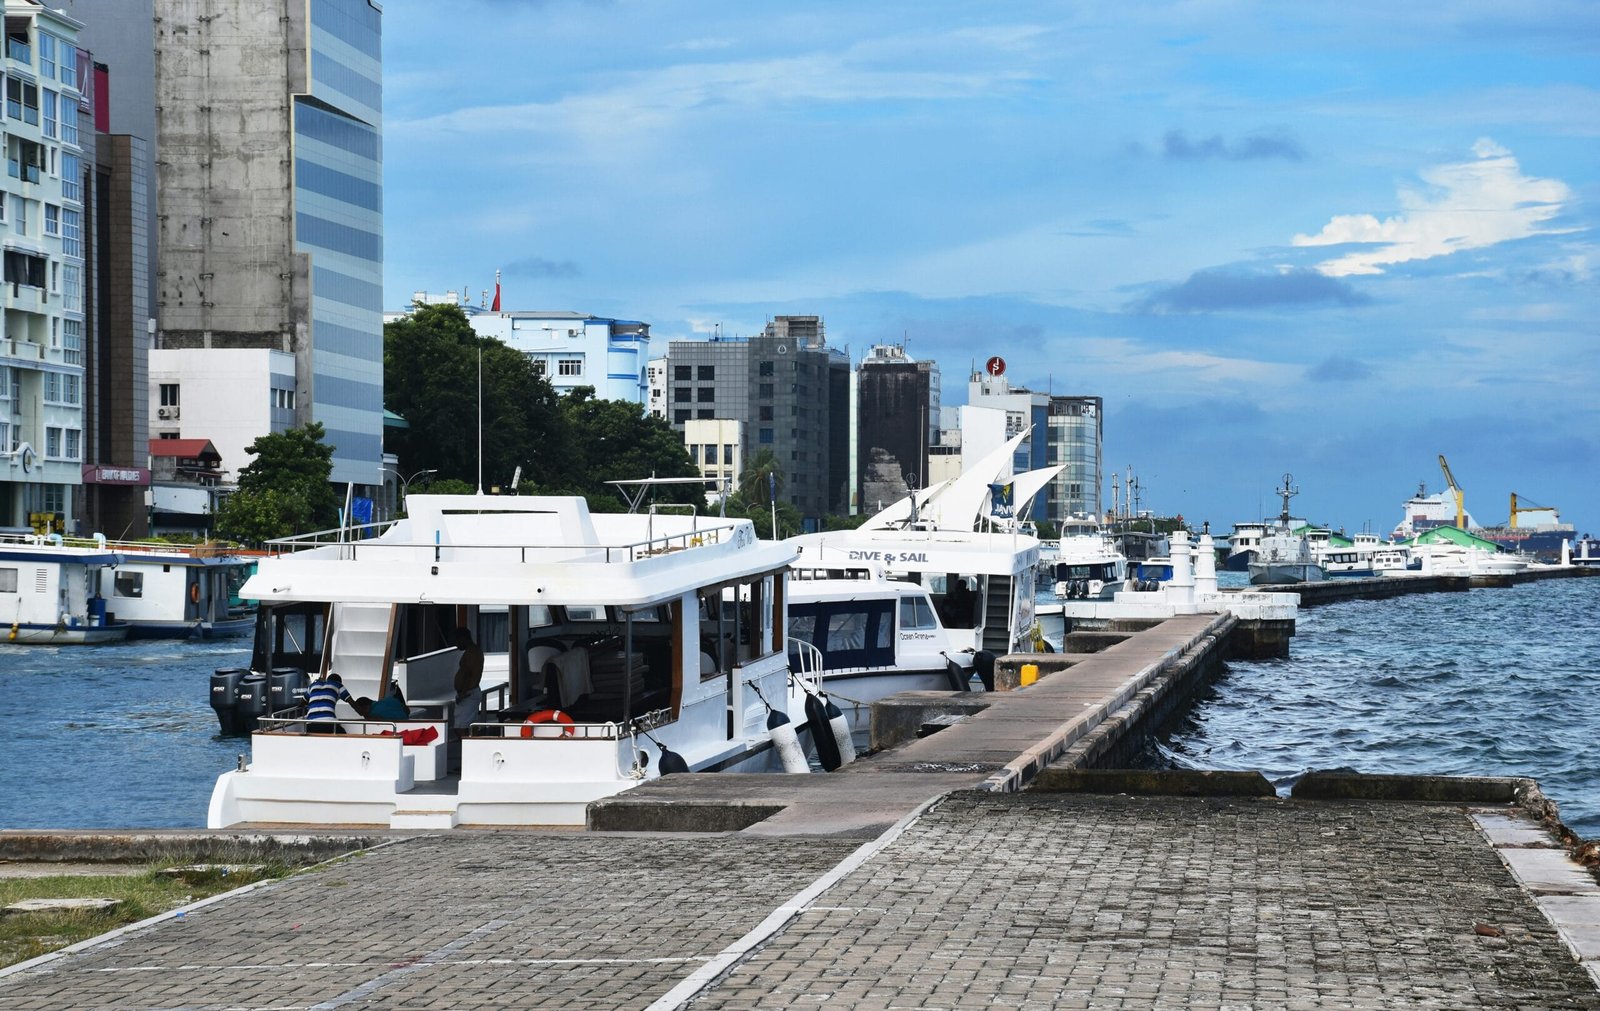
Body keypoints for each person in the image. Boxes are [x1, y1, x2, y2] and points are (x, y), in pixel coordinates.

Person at [452, 626, 484, 731]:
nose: (456, 644)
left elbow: (471, 675)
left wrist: (463, 693)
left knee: (461, 728)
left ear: (463, 638)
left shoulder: (473, 652)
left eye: (457, 641)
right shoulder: (470, 651)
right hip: (467, 693)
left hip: (468, 694)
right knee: (468, 726)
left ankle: (467, 746)